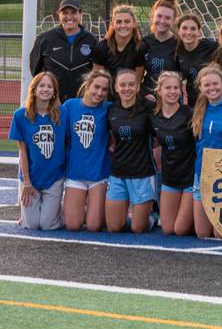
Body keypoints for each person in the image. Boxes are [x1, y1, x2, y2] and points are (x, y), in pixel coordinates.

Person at [9, 72, 67, 230]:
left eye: (50, 86)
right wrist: (27, 182)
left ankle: (61, 214)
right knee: (32, 225)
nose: (46, 89)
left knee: (48, 225)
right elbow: (22, 153)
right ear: (34, 89)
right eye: (42, 85)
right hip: (31, 179)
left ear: (54, 91)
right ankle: (27, 215)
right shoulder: (20, 115)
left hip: (54, 177)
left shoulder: (63, 113)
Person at [105, 69, 157, 233]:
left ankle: (153, 217)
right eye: (123, 85)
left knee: (138, 228)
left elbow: (157, 138)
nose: (127, 88)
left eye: (131, 84)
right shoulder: (111, 110)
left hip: (142, 172)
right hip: (118, 172)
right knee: (114, 227)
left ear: (137, 87)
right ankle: (131, 215)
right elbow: (111, 138)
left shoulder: (149, 107)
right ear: (116, 87)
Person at [191, 64, 222, 238]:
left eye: (215, 83)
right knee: (202, 234)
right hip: (201, 171)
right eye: (207, 85)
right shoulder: (200, 107)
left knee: (220, 234)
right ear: (200, 88)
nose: (212, 88)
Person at [62, 69, 112, 231]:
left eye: (104, 89)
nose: (99, 93)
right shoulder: (70, 106)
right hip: (75, 172)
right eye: (96, 87)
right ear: (87, 85)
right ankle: (81, 206)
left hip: (99, 174)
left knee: (93, 226)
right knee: (72, 225)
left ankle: (105, 211)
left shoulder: (109, 109)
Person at [150, 71, 195, 235]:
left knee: (180, 230)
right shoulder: (154, 117)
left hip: (190, 178)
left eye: (176, 87)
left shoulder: (189, 114)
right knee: (168, 230)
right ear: (159, 91)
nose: (172, 91)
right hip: (170, 178)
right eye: (168, 88)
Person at [29, 0, 98, 102]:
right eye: (65, 13)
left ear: (80, 14)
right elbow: (35, 71)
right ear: (59, 15)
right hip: (52, 102)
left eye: (73, 12)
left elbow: (96, 71)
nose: (69, 17)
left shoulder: (91, 40)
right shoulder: (44, 39)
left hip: (80, 101)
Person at [141, 0, 181, 99]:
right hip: (147, 96)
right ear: (153, 16)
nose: (162, 21)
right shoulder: (144, 43)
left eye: (167, 18)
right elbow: (138, 75)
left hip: (171, 97)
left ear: (174, 20)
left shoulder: (179, 44)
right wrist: (143, 95)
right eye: (159, 16)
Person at [92, 4, 145, 87]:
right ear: (113, 25)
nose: (123, 25)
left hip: (129, 94)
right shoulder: (101, 48)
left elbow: (136, 83)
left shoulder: (139, 49)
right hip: (106, 94)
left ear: (134, 23)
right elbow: (99, 83)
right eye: (119, 22)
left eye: (127, 21)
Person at [175, 13, 217, 106]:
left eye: (193, 29)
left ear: (199, 32)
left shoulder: (212, 47)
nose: (189, 32)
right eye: (184, 28)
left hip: (211, 99)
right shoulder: (176, 49)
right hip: (190, 101)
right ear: (178, 31)